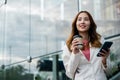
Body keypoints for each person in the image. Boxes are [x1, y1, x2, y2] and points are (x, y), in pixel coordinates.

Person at [62, 11, 110, 80]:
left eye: (86, 19)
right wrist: (74, 54)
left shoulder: (100, 40)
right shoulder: (68, 46)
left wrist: (104, 60)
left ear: (90, 23)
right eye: (79, 19)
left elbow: (109, 71)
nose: (82, 22)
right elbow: (70, 73)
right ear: (75, 24)